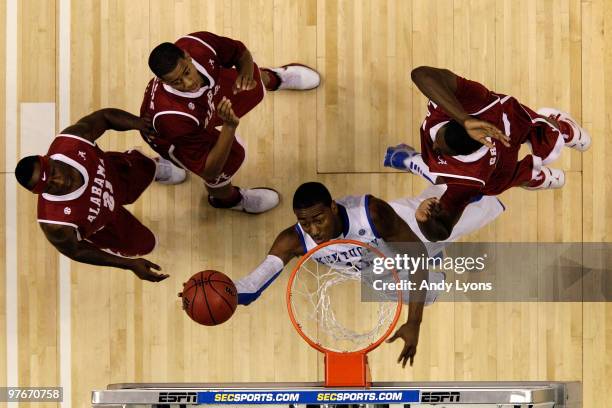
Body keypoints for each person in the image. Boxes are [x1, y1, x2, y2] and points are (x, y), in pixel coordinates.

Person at [231, 162, 505, 367]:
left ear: (333, 208)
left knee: (481, 201)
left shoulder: (372, 213)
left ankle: (436, 168)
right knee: (422, 292)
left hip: (405, 228)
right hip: (374, 265)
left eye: (318, 219)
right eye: (305, 223)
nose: (313, 230)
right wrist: (226, 293)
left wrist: (414, 322)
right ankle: (440, 183)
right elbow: (251, 286)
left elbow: (418, 256)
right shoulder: (293, 240)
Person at [388, 66, 591, 242]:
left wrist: (428, 221)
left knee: (498, 184)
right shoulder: (476, 103)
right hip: (511, 127)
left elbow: (442, 228)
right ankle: (563, 131)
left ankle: (534, 176)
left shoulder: (467, 181)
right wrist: (465, 118)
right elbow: (420, 74)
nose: (435, 147)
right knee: (539, 125)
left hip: (495, 175)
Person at [141, 31, 321, 214]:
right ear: (164, 81)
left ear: (187, 57)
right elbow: (210, 170)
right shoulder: (172, 119)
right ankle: (228, 200)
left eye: (187, 72)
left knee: (252, 83)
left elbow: (240, 53)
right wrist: (229, 126)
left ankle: (275, 78)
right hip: (175, 134)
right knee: (224, 169)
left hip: (204, 103)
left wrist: (246, 74)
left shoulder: (197, 44)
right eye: (177, 82)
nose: (188, 83)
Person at [14, 108, 186, 282]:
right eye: (49, 186)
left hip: (117, 173)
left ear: (50, 159)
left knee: (145, 167)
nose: (58, 182)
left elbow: (104, 118)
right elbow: (76, 251)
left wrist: (137, 123)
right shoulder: (55, 224)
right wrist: (129, 264)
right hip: (105, 223)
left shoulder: (71, 142)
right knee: (146, 245)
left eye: (53, 173)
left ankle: (152, 166)